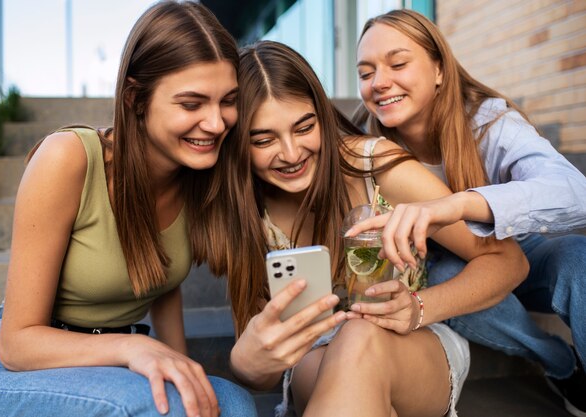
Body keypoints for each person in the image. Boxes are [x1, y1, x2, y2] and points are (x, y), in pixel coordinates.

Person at [192, 40, 528, 417]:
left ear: (322, 115)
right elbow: (259, 373)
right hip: (314, 360)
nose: (290, 153)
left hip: (415, 345)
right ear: (238, 145)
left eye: (304, 128)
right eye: (264, 139)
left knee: (359, 337)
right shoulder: (244, 212)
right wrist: (246, 363)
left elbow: (508, 259)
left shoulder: (375, 165)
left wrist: (419, 307)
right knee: (352, 359)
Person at [0, 2, 257, 417]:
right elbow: (17, 344)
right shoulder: (69, 159)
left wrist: (178, 366)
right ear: (136, 98)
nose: (216, 122)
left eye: (228, 100)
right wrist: (135, 346)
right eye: (192, 104)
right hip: (13, 368)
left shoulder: (197, 173)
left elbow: (161, 281)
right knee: (156, 408)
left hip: (115, 360)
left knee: (234, 405)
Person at [352, 8, 586, 417]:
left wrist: (458, 203)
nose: (379, 82)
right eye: (366, 72)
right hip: (445, 266)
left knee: (577, 261)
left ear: (440, 69)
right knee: (444, 275)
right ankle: (560, 364)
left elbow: (574, 191)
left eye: (398, 63)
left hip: (519, 247)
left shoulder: (487, 120)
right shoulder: (364, 144)